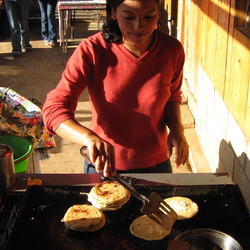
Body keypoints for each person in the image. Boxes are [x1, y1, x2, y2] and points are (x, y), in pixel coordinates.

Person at [42, 0, 189, 177]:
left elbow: (172, 95)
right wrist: (88, 138)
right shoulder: (92, 50)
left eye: (149, 16)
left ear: (159, 13)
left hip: (158, 165)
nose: (139, 26)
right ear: (113, 12)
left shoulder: (172, 49)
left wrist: (177, 130)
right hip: (103, 166)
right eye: (128, 17)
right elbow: (54, 109)